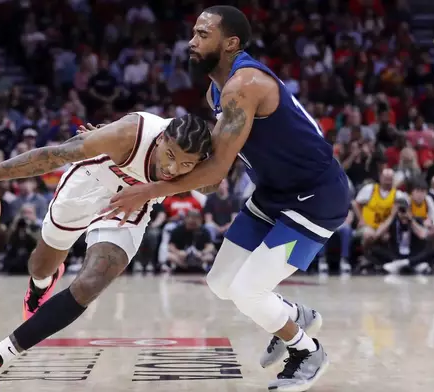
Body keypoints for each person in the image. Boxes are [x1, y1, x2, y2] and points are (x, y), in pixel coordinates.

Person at [103, 6, 349, 391]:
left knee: (247, 290)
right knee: (221, 282)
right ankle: (291, 316)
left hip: (314, 198)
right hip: (272, 193)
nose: (192, 42)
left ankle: (307, 351)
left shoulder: (244, 86)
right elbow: (213, 161)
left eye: (203, 34)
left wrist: (151, 190)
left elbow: (216, 171)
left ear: (231, 42)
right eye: (194, 33)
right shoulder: (216, 89)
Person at [0, 111, 213, 391]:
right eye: (170, 156)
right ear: (161, 138)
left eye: (186, 164)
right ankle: (42, 283)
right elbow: (53, 156)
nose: (173, 169)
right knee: (40, 266)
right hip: (87, 185)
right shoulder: (128, 134)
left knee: (91, 282)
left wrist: (151, 190)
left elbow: (208, 183)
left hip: (128, 208)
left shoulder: (204, 167)